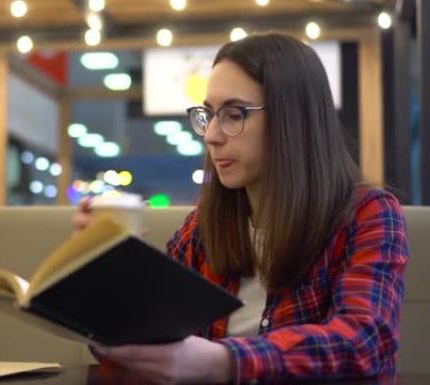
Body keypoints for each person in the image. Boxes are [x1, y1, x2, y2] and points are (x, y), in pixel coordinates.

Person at [73, 33, 409, 384]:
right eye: (208, 115)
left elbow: (363, 343)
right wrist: (108, 273)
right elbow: (147, 342)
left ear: (291, 119)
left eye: (234, 114)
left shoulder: (368, 215)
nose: (211, 135)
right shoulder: (204, 227)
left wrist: (223, 362)